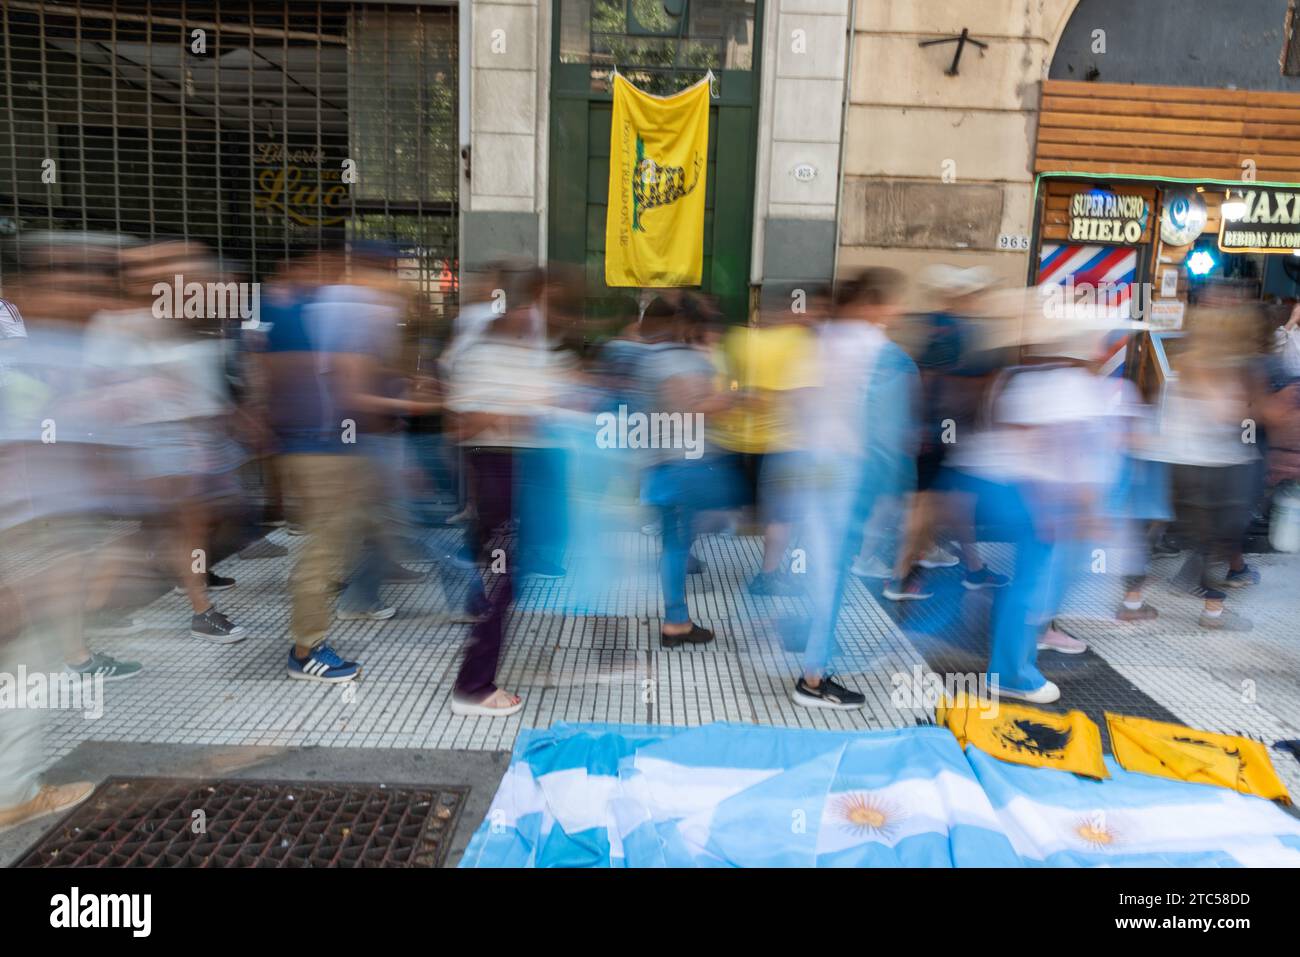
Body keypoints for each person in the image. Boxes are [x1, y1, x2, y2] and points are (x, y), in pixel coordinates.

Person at [445, 270, 572, 715]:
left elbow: (545, 408)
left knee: (503, 580)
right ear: (520, 307)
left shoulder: (525, 351)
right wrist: (515, 412)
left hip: (519, 476)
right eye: (542, 307)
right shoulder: (480, 354)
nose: (546, 318)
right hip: (497, 474)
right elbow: (462, 425)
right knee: (497, 582)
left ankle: (477, 663)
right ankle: (473, 687)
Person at [790, 268, 913, 709]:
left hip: (811, 468)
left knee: (825, 569)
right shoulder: (881, 351)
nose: (894, 312)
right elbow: (888, 433)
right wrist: (893, 494)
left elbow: (799, 403)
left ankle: (814, 658)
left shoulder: (818, 339)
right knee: (834, 573)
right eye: (888, 303)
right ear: (871, 306)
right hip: (847, 476)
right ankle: (814, 678)